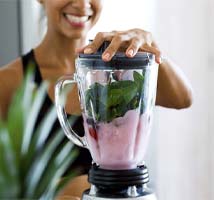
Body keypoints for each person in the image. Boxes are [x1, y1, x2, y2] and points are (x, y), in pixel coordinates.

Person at [0, 0, 193, 199]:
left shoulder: (118, 68)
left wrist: (151, 49)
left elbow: (183, 98)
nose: (82, 4)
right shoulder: (8, 82)